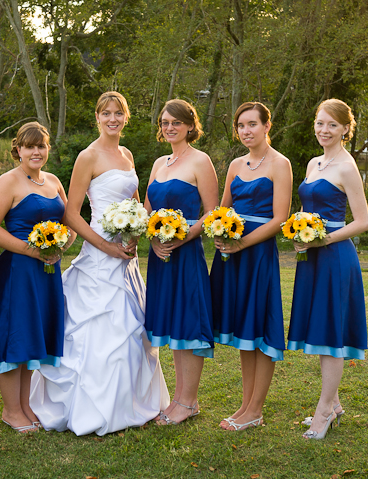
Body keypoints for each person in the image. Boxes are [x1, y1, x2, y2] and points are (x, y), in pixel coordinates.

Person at [30, 92, 170, 436]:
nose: (112, 119)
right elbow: (72, 214)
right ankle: (89, 406)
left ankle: (129, 402)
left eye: (118, 113)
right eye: (106, 113)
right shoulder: (87, 156)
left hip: (127, 255)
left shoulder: (127, 154)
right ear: (97, 117)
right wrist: (106, 246)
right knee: (97, 328)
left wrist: (137, 230)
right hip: (98, 251)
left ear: (126, 118)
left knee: (129, 326)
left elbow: (135, 202)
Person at [0, 122, 75, 433]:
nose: (36, 151)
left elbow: (70, 220)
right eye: (29, 146)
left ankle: (24, 404)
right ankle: (10, 409)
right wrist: (30, 251)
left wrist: (63, 244)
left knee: (33, 335)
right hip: (18, 271)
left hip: (48, 272)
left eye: (41, 146)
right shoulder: (9, 182)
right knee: (15, 335)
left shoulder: (54, 182)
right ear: (17, 149)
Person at [287, 99, 368, 440]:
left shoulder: (347, 167)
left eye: (332, 125)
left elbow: (363, 221)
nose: (324, 130)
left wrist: (323, 240)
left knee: (331, 335)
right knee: (320, 330)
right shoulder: (313, 162)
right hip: (312, 258)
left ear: (345, 129)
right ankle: (332, 404)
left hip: (335, 258)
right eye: (320, 123)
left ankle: (323, 413)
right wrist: (299, 232)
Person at [210, 102, 292, 431]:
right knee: (245, 331)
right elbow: (222, 209)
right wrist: (220, 232)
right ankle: (245, 406)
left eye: (252, 124)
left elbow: (280, 218)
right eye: (241, 125)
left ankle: (256, 409)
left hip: (257, 255)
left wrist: (243, 242)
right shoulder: (234, 165)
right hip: (231, 254)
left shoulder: (280, 164)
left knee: (261, 327)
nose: (246, 130)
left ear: (267, 126)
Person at [144, 99, 218, 426]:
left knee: (188, 323)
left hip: (185, 253)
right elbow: (146, 208)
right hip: (159, 257)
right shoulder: (160, 162)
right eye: (164, 122)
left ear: (190, 125)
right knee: (173, 326)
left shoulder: (201, 161)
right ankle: (178, 399)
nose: (169, 127)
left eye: (176, 122)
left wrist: (179, 237)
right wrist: (152, 239)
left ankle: (189, 401)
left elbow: (213, 213)